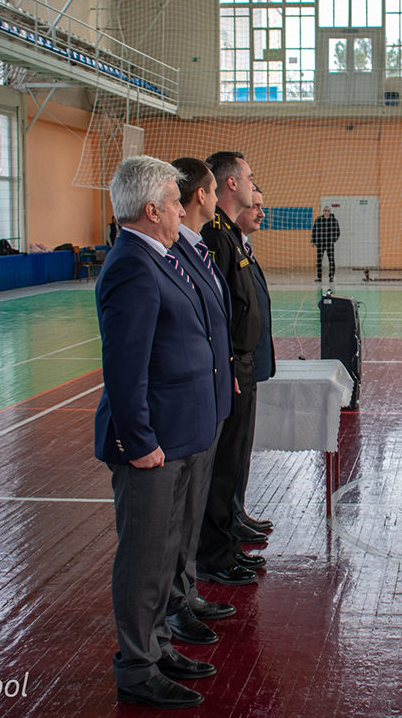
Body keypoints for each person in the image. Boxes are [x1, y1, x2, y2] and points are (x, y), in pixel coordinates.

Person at [93, 156, 226, 709]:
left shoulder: (162, 258)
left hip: (179, 432)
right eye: (174, 201)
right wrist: (140, 441)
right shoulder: (132, 265)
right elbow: (125, 367)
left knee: (167, 548)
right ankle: (137, 666)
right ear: (152, 210)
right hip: (153, 440)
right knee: (145, 558)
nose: (182, 208)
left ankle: (159, 644)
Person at [164, 157, 240, 640]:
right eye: (212, 192)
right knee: (174, 516)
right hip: (185, 401)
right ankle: (173, 605)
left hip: (209, 393)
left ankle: (186, 592)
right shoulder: (178, 252)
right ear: (201, 197)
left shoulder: (197, 250)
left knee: (191, 509)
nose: (216, 201)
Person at [196, 151, 267, 587]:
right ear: (230, 184)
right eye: (249, 176)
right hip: (230, 367)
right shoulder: (216, 236)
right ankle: (217, 555)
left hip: (243, 363)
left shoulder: (230, 234)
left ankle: (228, 538)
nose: (253, 183)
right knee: (222, 466)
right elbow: (217, 313)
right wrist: (226, 369)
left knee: (235, 458)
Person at [233, 185, 276, 534]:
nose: (261, 213)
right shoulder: (226, 247)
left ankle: (236, 511)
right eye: (255, 206)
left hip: (250, 363)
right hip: (236, 366)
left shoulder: (244, 247)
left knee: (241, 447)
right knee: (231, 449)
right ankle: (228, 521)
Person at [311, 206, 340, 282]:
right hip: (320, 243)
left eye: (328, 210)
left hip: (329, 244)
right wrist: (313, 241)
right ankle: (319, 277)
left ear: (330, 212)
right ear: (323, 211)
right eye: (325, 210)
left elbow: (337, 232)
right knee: (319, 260)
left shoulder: (334, 221)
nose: (326, 212)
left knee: (331, 260)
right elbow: (314, 230)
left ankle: (331, 276)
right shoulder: (318, 220)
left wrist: (333, 240)